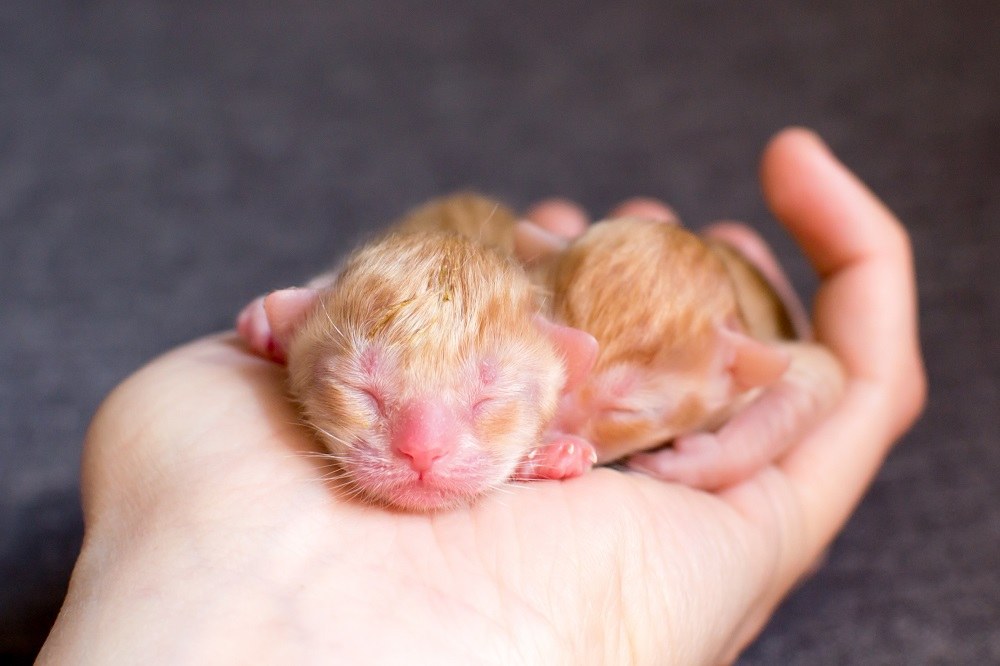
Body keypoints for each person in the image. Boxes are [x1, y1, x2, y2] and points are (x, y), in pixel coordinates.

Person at [37, 128, 925, 665]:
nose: (423, 447)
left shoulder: (573, 359)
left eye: (494, 399)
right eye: (365, 392)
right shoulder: (323, 325)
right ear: (289, 324)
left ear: (558, 355)